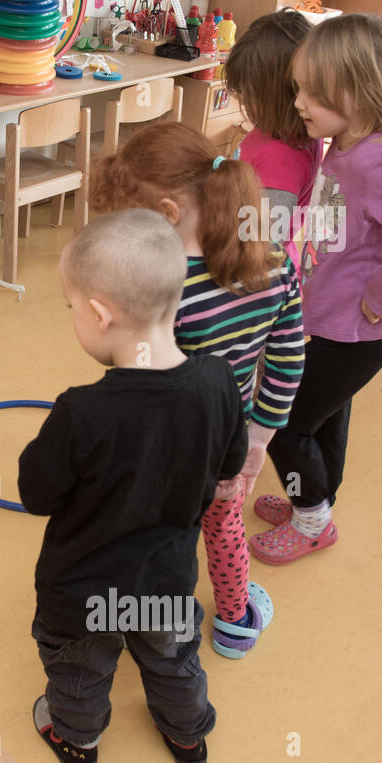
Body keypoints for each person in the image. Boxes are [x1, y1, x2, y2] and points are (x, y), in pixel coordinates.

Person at [20, 210, 247, 763]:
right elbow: (230, 466)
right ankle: (188, 738)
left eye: (72, 307)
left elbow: (35, 493)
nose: (75, 316)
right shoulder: (218, 380)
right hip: (166, 578)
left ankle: (76, 740)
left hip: (82, 591)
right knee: (173, 659)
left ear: (99, 313)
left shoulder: (82, 411)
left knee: (81, 669)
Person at [251, 14, 382, 562]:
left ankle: (313, 518)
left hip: (354, 327)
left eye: (316, 95)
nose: (299, 103)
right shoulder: (346, 146)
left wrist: (381, 295)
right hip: (332, 320)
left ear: (365, 93)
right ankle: (314, 495)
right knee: (327, 416)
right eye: (299, 87)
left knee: (288, 421)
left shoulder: (375, 158)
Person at [88, 122, 303, 658]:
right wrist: (259, 440)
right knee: (223, 523)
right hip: (227, 437)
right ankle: (234, 621)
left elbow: (133, 373)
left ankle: (141, 617)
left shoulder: (158, 284)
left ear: (165, 213)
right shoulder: (275, 260)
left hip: (158, 443)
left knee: (150, 529)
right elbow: (287, 357)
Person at [224, 9, 319, 276]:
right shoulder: (276, 129)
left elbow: (263, 244)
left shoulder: (282, 159)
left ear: (283, 95)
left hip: (249, 275)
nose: (241, 99)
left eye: (248, 92)